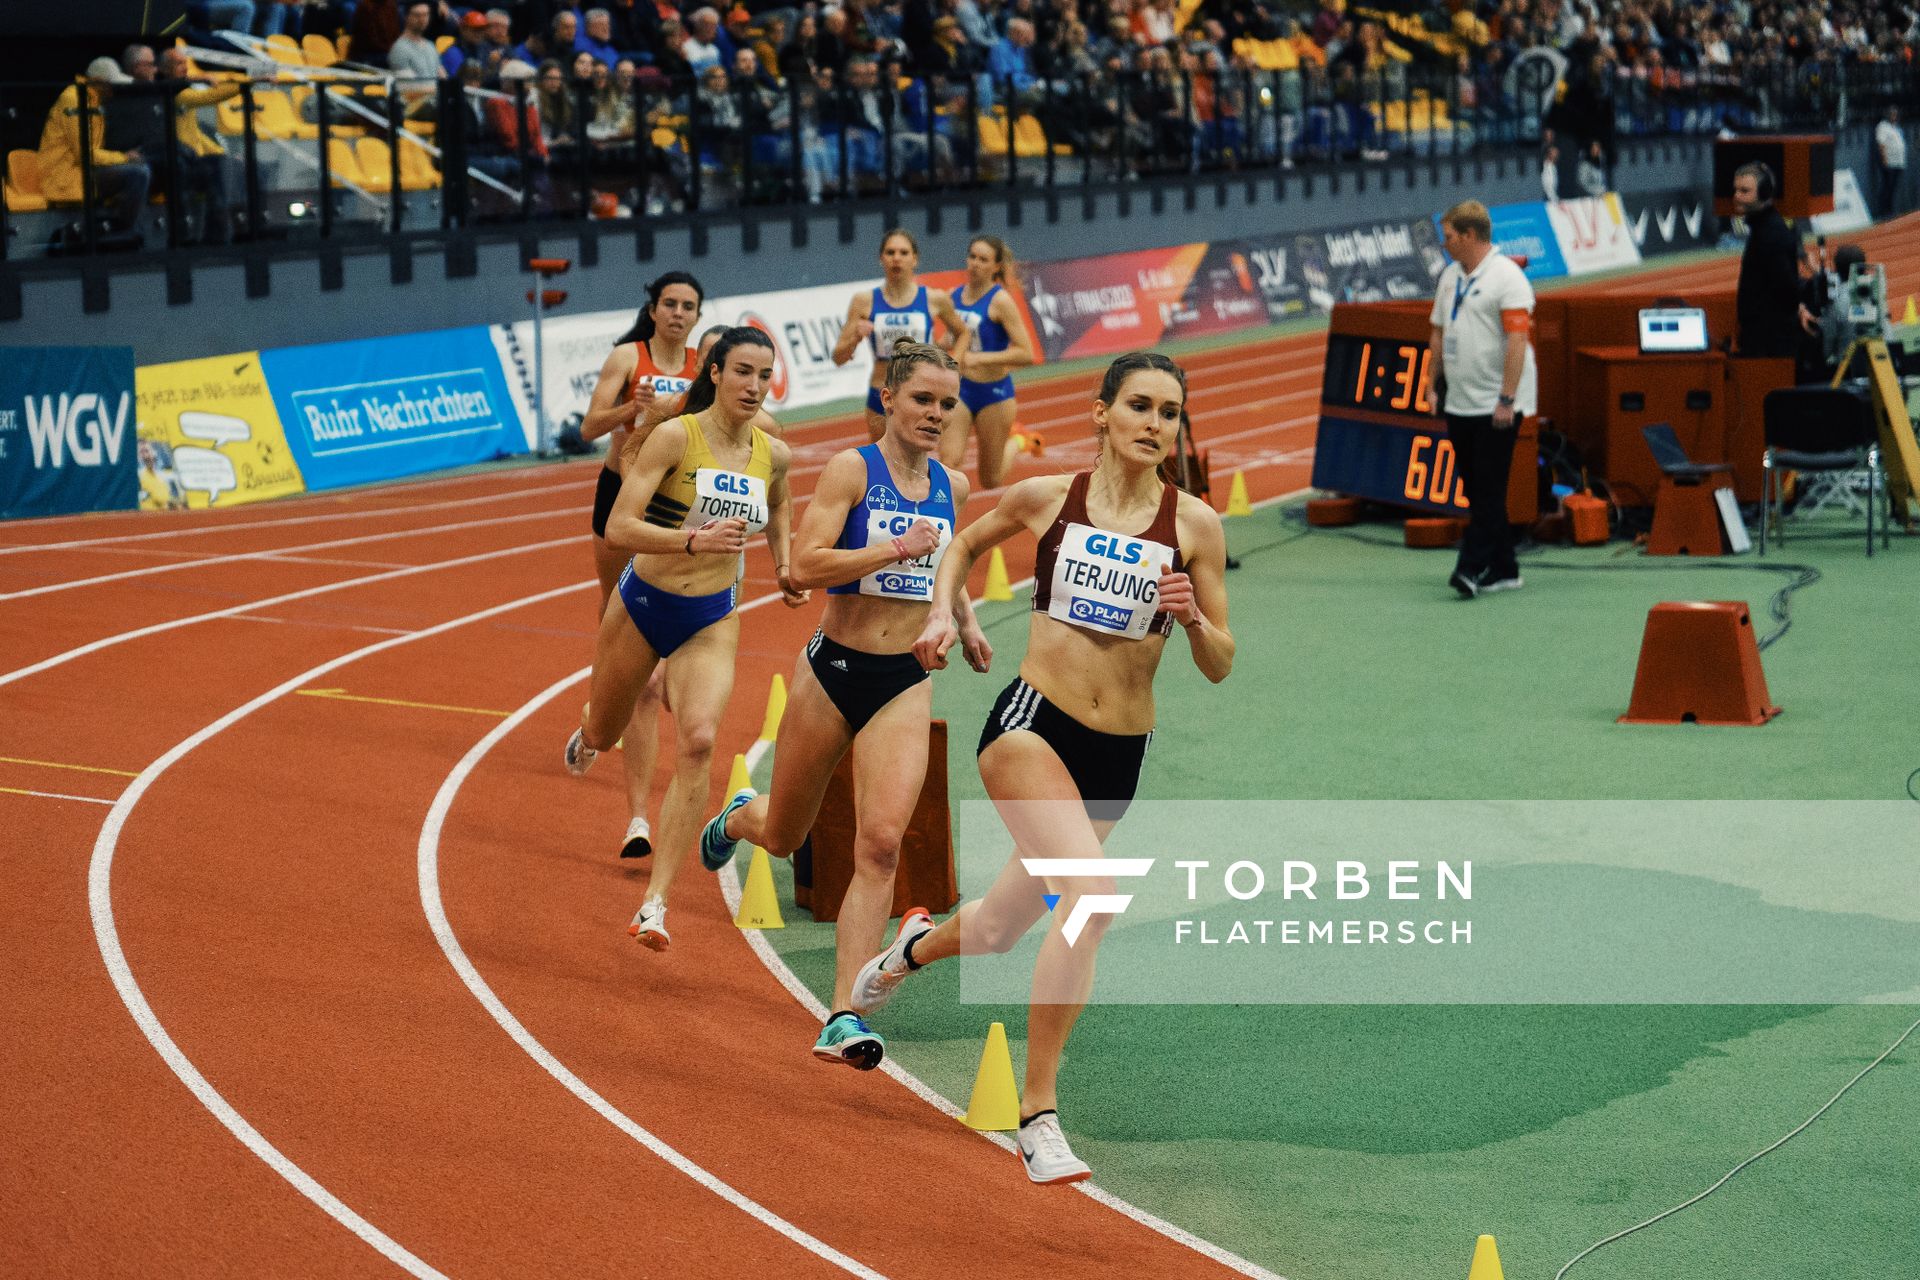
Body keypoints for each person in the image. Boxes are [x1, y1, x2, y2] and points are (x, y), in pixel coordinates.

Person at [850, 350, 1233, 1185]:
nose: (1153, 425)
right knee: (1091, 897)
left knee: (996, 929)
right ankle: (1039, 1114)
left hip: (1117, 755)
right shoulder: (1045, 499)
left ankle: (909, 949)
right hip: (1030, 726)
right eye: (1138, 405)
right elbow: (960, 546)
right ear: (1101, 413)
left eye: (1169, 412)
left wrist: (1196, 620)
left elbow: (1220, 663)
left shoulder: (1196, 524)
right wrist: (948, 613)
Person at [696, 339, 989, 1069]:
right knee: (789, 833)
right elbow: (807, 563)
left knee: (881, 843)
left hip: (904, 682)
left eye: (947, 403)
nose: (934, 413)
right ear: (888, 397)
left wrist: (962, 619)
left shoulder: (951, 483)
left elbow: (946, 569)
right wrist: (892, 551)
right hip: (833, 671)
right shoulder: (852, 470)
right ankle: (740, 815)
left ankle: (843, 1014)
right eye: (922, 398)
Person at [568, 327, 807, 949]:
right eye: (743, 373)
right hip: (643, 604)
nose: (754, 387)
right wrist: (692, 540)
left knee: (700, 741)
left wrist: (783, 566)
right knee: (606, 731)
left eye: (764, 375)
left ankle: (655, 905)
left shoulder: (771, 452)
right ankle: (592, 726)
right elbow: (620, 525)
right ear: (716, 373)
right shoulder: (677, 436)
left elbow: (780, 506)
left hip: (711, 615)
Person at [577, 271, 706, 861]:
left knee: (659, 670)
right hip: (618, 495)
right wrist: (636, 405)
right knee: (620, 633)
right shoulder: (627, 357)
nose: (678, 314)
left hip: (675, 504)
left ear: (698, 316)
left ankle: (638, 817)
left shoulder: (709, 364)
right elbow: (587, 428)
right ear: (653, 310)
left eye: (689, 307)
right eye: (670, 305)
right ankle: (600, 718)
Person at [1426, 199, 1536, 598]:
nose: (1444, 243)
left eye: (1450, 236)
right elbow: (1438, 332)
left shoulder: (1508, 278)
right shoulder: (1450, 277)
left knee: (1488, 489)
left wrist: (1506, 398)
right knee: (1477, 490)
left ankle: (1470, 568)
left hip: (1497, 404)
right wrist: (1430, 384)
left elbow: (1518, 341)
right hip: (1461, 401)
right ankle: (1505, 567)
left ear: (1470, 235)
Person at [832, 228, 971, 442]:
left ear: (915, 259)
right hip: (882, 392)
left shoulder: (934, 299)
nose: (896, 258)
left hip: (924, 393)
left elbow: (963, 333)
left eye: (904, 253)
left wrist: (954, 367)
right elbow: (838, 358)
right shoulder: (864, 301)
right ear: (881, 258)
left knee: (920, 460)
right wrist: (855, 338)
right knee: (883, 463)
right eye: (890, 252)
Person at [943, 236, 1041, 488]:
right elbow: (951, 337)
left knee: (990, 480)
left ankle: (1018, 441)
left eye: (983, 259)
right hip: (961, 390)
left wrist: (978, 358)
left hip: (994, 394)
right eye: (972, 257)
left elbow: (1026, 353)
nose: (975, 263)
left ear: (996, 266)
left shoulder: (1001, 301)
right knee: (948, 462)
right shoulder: (953, 296)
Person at [38, 59, 151, 235]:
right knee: (138, 173)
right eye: (110, 84)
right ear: (97, 81)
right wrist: (124, 157)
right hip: (65, 175)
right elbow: (84, 154)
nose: (113, 90)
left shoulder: (93, 101)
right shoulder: (75, 99)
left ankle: (119, 229)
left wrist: (124, 157)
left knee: (143, 167)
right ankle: (122, 230)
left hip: (83, 170)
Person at [1733, 162, 1801, 360]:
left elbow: (1787, 288)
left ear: (1764, 193)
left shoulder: (1770, 234)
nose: (1737, 196)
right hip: (1764, 340)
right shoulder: (1762, 229)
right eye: (1736, 190)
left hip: (1769, 345)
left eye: (1745, 191)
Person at [1873, 106, 1907, 220]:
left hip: (1898, 163)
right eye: (1892, 114)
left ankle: (1890, 211)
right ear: (1888, 115)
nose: (1894, 116)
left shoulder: (1896, 127)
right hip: (1889, 163)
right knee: (1887, 188)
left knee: (1893, 188)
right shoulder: (1883, 126)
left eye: (1896, 114)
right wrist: (1885, 160)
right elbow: (1881, 144)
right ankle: (1884, 212)